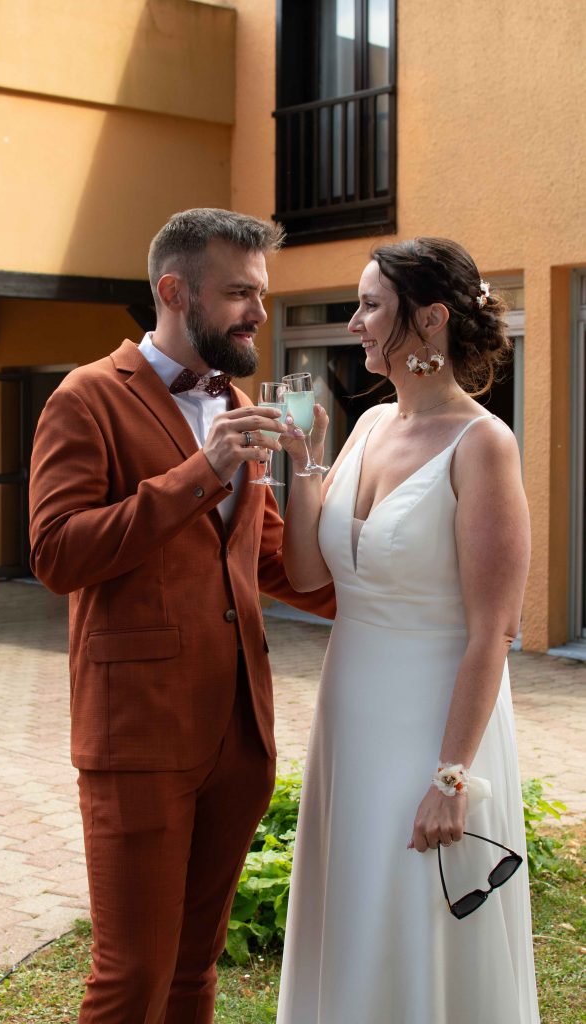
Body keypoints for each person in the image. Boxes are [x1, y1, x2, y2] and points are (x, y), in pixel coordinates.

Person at [28, 207, 335, 1024]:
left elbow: (266, 560)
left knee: (197, 971)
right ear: (174, 290)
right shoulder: (86, 397)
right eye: (240, 293)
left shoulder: (242, 407)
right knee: (133, 977)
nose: (259, 314)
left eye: (262, 295)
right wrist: (203, 471)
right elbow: (57, 553)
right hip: (139, 735)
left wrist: (405, 594)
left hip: (238, 731)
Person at [276, 238, 540, 1023]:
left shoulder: (483, 444)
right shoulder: (364, 429)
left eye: (369, 307)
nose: (353, 322)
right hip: (351, 714)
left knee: (411, 910)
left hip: (435, 722)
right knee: (353, 899)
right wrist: (304, 462)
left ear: (428, 319)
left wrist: (451, 778)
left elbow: (493, 628)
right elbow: (307, 575)